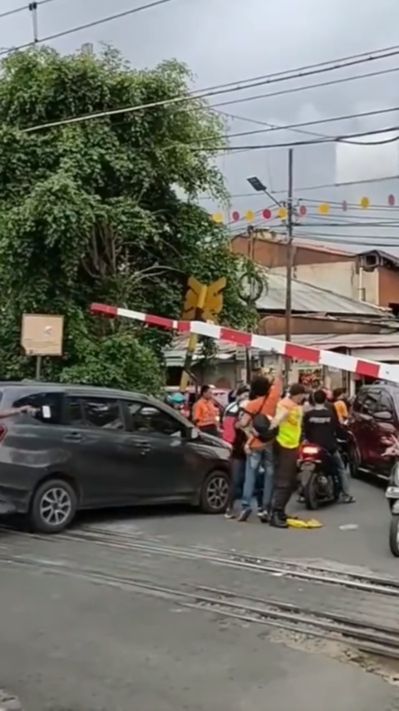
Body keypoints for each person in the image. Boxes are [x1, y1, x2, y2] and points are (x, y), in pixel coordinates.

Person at [237, 369, 283, 522]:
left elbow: (243, 423)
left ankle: (246, 506)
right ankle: (265, 507)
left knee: (251, 475)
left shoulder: (252, 404)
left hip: (255, 445)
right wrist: (274, 373)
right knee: (270, 475)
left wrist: (246, 430)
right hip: (270, 442)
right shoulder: (274, 399)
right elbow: (279, 382)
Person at [303, 389, 355, 504]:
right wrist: (346, 436)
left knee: (302, 466)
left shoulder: (308, 415)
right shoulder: (330, 414)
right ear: (325, 399)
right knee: (341, 468)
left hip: (312, 446)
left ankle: (302, 493)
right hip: (329, 447)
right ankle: (346, 495)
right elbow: (337, 430)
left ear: (313, 400)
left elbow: (305, 431)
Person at [270, 383, 307, 528]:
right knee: (284, 482)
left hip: (292, 446)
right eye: (302, 395)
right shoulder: (285, 405)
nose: (303, 398)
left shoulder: (297, 406)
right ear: (298, 394)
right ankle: (275, 514)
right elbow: (278, 419)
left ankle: (281, 512)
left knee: (290, 482)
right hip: (284, 445)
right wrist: (276, 421)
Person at [224, 386, 250, 519]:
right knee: (236, 479)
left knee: (247, 480)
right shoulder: (232, 409)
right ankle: (230, 507)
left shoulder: (249, 408)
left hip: (249, 448)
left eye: (247, 396)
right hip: (237, 449)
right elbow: (228, 431)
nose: (246, 398)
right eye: (244, 396)